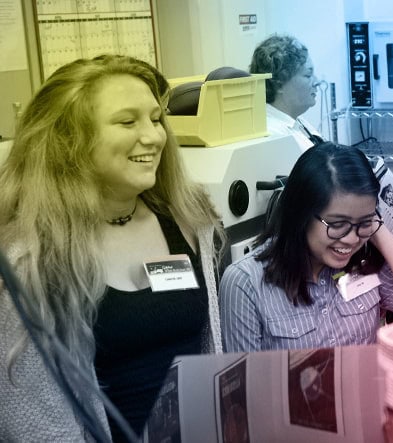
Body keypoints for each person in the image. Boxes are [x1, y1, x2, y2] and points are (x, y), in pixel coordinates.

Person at [0, 55, 225, 441]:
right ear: (69, 140)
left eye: (156, 118)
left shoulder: (190, 221)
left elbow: (211, 354)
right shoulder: (29, 262)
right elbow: (35, 424)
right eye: (127, 121)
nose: (155, 136)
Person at [219, 142, 393, 351]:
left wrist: (376, 230)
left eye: (363, 222)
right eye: (338, 224)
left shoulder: (364, 264)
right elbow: (244, 387)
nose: (351, 239)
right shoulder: (245, 282)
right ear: (301, 215)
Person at [250, 34, 324, 149]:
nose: (317, 81)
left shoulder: (295, 121)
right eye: (308, 75)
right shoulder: (273, 136)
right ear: (278, 84)